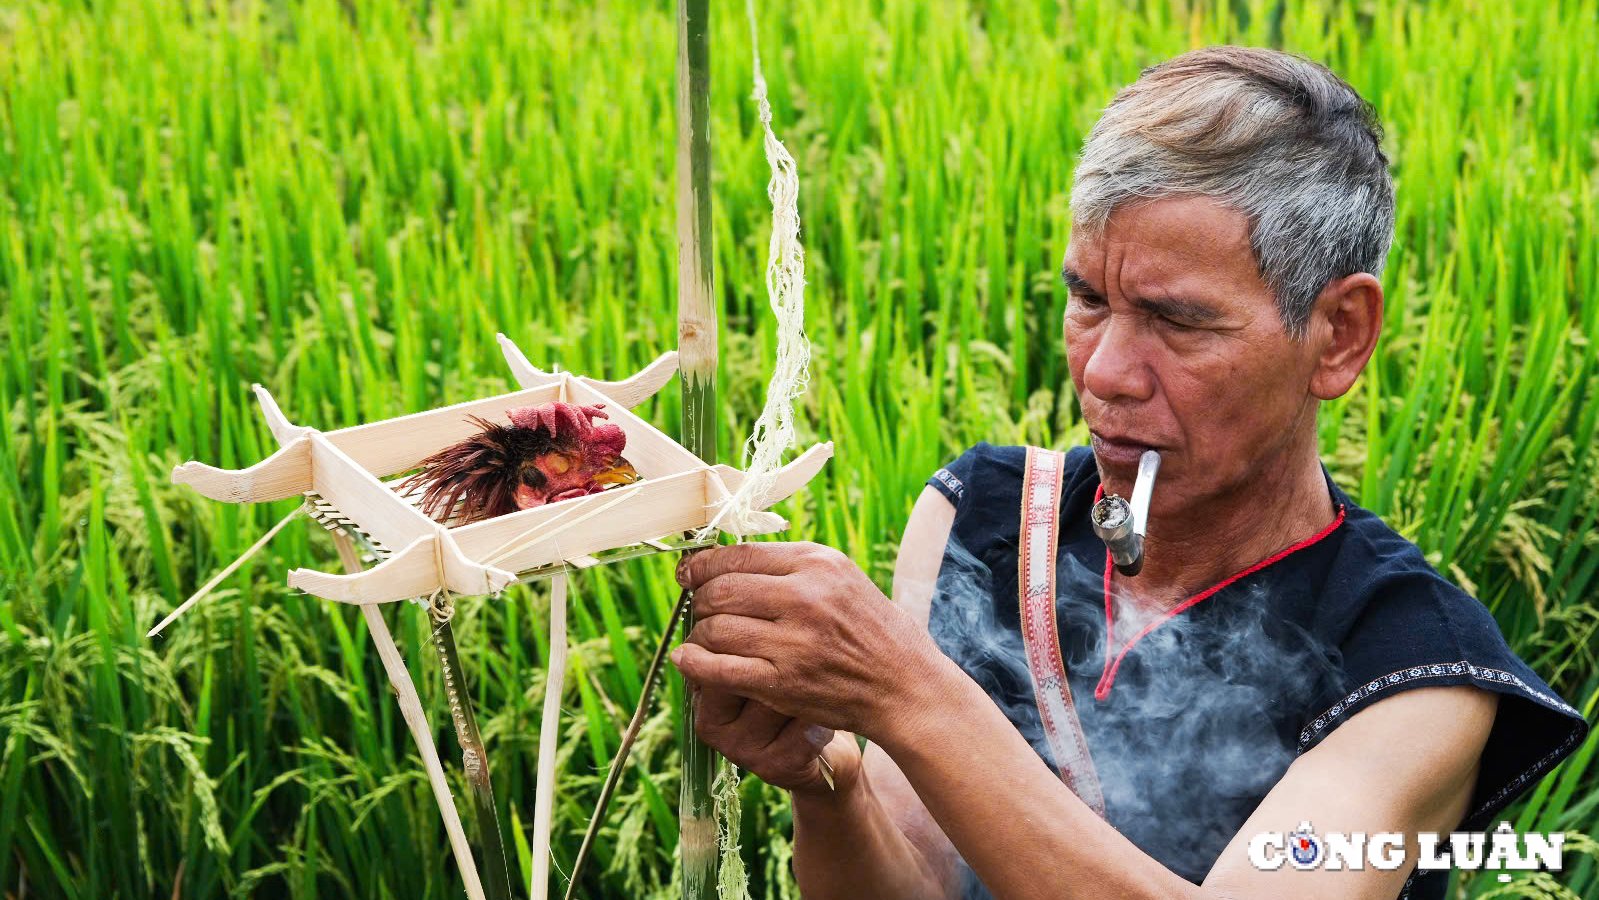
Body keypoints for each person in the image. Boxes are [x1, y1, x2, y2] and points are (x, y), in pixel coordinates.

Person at [667, 45, 1588, 899]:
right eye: (1086, 299)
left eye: (1179, 321)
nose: (1103, 371)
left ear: (1337, 334)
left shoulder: (1415, 669)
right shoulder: (985, 519)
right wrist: (832, 791)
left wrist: (911, 696)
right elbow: (913, 886)